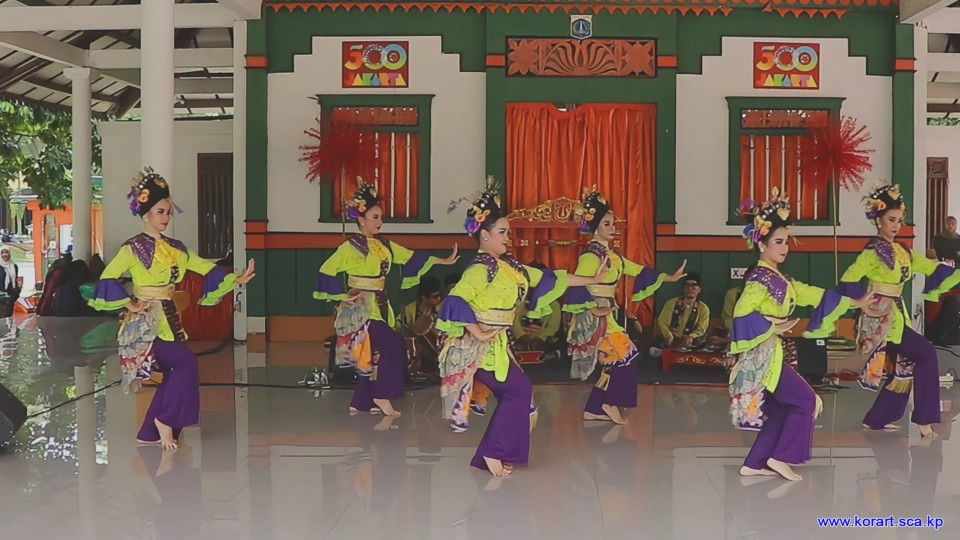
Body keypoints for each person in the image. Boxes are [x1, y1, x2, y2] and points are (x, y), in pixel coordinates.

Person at [436, 178, 608, 476]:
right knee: (518, 390)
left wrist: (591, 279)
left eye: (508, 231)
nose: (508, 237)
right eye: (502, 232)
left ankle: (491, 454)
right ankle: (493, 452)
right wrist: (477, 331)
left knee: (518, 392)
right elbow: (455, 300)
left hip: (498, 344)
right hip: (477, 348)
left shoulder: (511, 268)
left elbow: (551, 278)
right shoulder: (481, 269)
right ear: (484, 235)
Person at [88, 167, 255, 449]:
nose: (165, 217)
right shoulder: (132, 248)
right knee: (186, 364)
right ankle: (165, 419)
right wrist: (131, 303)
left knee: (174, 371)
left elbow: (204, 267)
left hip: (170, 319)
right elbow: (107, 278)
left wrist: (236, 278)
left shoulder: (176, 248)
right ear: (146, 214)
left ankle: (148, 433)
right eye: (160, 212)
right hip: (146, 324)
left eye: (167, 212)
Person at [728, 189, 873, 481]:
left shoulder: (781, 279)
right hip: (763, 356)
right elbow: (740, 314)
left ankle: (755, 462)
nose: (785, 247)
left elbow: (813, 294)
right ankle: (781, 457)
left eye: (786, 241)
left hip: (773, 353)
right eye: (778, 242)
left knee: (783, 410)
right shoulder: (759, 279)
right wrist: (772, 326)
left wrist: (853, 302)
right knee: (806, 401)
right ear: (762, 244)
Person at [807, 183, 960, 439]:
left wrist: (953, 269)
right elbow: (848, 279)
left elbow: (929, 267)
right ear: (878, 220)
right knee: (926, 353)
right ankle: (925, 420)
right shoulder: (872, 252)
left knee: (905, 363)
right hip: (881, 318)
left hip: (898, 315)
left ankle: (877, 419)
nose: (896, 225)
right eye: (891, 219)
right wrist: (861, 301)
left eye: (899, 220)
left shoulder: (902, 251)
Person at [314, 178, 458, 417]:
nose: (379, 222)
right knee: (394, 345)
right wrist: (343, 296)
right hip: (360, 309)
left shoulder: (385, 245)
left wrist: (442, 260)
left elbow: (410, 257)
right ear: (361, 219)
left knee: (372, 353)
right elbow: (326, 270)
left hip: (380, 304)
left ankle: (361, 402)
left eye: (380, 217)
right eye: (374, 217)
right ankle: (382, 394)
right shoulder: (351, 247)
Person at [564, 189, 686, 424]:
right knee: (626, 356)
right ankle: (610, 402)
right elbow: (577, 284)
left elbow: (638, 270)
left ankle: (594, 408)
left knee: (614, 362)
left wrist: (669, 277)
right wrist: (595, 310)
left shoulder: (613, 256)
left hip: (609, 314)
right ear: (595, 228)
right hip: (595, 318)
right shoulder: (590, 257)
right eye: (607, 224)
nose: (613, 228)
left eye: (613, 223)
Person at [651, 272, 710, 355]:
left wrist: (691, 336)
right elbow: (662, 322)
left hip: (690, 342)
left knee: (701, 342)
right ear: (683, 288)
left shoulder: (703, 308)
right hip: (670, 339)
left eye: (694, 286)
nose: (690, 288)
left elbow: (701, 329)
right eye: (687, 285)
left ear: (699, 290)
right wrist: (668, 335)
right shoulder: (671, 303)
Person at [0, 246, 21, 318]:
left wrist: (17, 290)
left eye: (6, 252)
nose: (4, 255)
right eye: (2, 253)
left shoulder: (14, 266)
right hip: (1, 295)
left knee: (10, 315)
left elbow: (15, 280)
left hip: (11, 295)